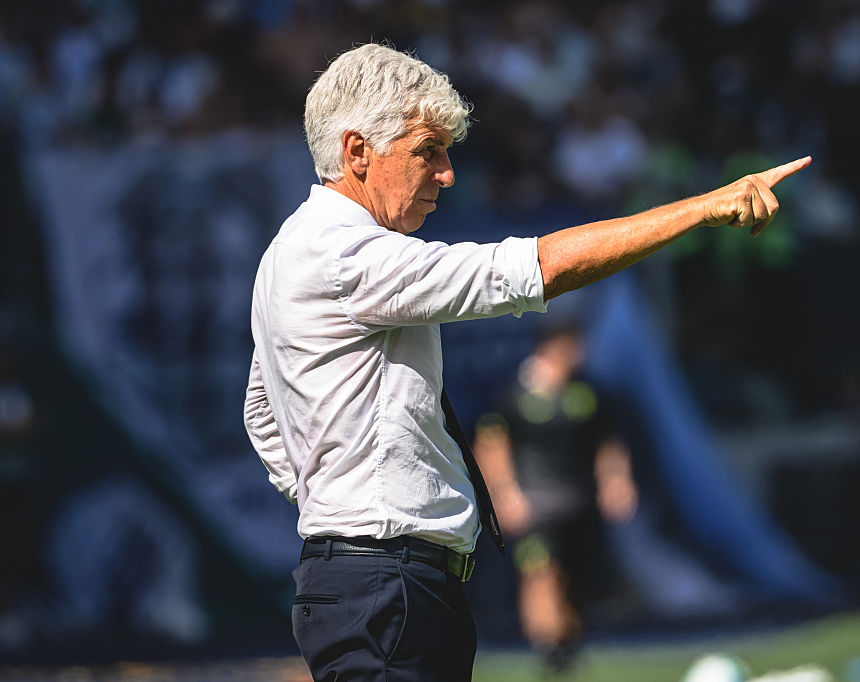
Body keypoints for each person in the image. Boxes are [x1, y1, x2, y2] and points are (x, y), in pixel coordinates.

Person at [243, 42, 809, 682]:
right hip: (383, 583)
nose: (447, 174)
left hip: (375, 578)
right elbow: (529, 269)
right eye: (428, 150)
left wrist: (332, 508)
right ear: (356, 152)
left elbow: (262, 410)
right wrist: (701, 209)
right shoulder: (345, 253)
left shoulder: (292, 248)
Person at [473, 322, 637, 673]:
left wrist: (616, 482)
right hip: (535, 506)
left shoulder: (587, 393)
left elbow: (608, 443)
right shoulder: (515, 394)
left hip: (579, 505)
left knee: (574, 580)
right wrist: (504, 494)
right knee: (541, 573)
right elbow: (491, 445)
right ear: (550, 348)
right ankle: (547, 644)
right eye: (570, 347)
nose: (578, 355)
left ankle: (566, 644)